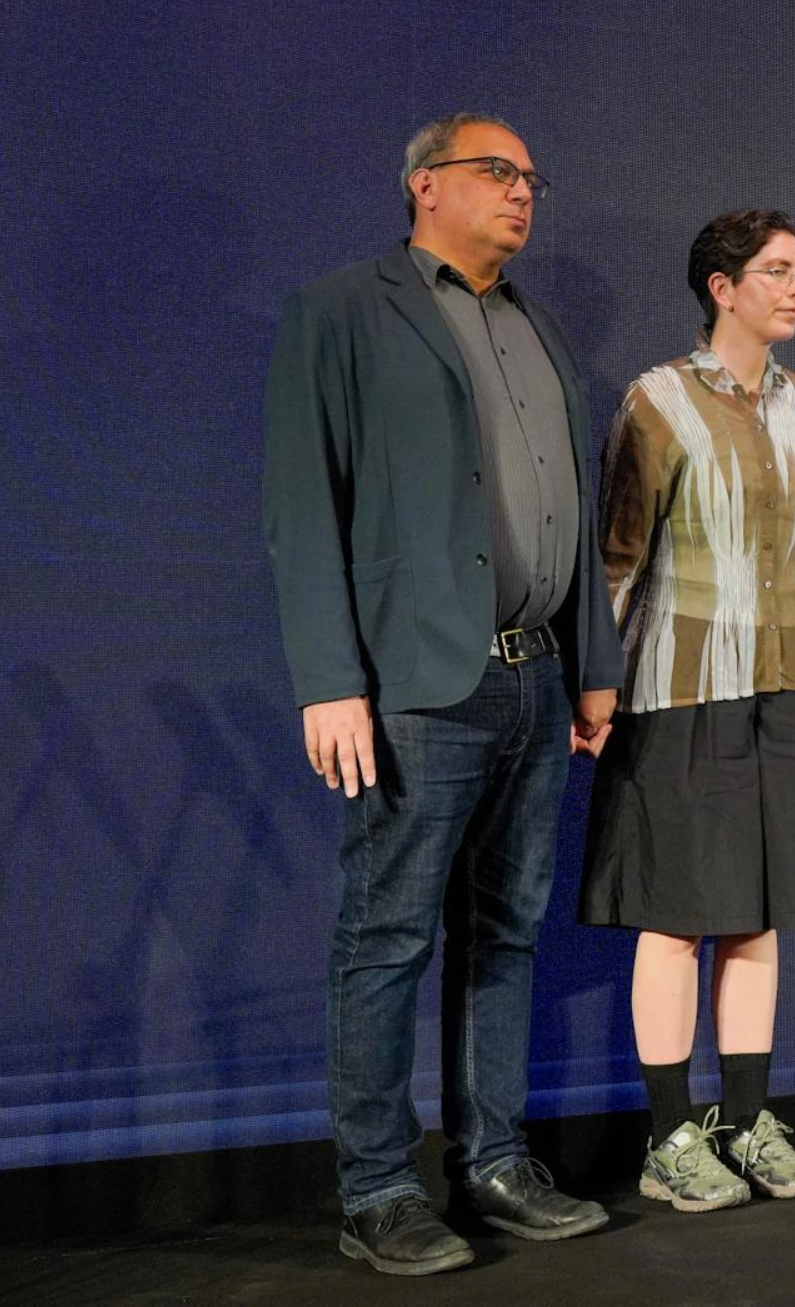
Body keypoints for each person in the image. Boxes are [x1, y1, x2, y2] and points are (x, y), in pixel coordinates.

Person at [263, 111, 622, 1275]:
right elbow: (301, 504)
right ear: (426, 186)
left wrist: (593, 665)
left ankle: (496, 1163)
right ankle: (375, 1189)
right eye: (498, 173)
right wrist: (329, 680)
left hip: (534, 679)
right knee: (386, 940)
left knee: (508, 935)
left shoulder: (538, 329)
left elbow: (572, 507)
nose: (525, 194)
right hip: (417, 685)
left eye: (532, 176)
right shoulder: (345, 310)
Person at [583, 210, 795, 1210]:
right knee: (674, 917)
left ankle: (746, 1123)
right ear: (720, 287)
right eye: (776, 270)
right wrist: (594, 682)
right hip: (681, 689)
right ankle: (666, 1138)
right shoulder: (656, 402)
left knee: (759, 918)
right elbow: (619, 555)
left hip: (788, 689)